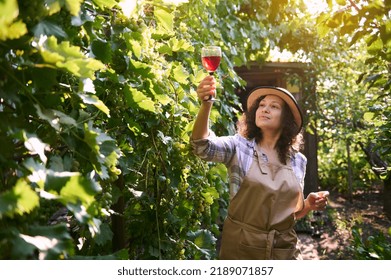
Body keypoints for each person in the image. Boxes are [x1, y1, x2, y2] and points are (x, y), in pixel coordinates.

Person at [191, 75, 329, 260]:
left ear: (286, 119)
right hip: (241, 249)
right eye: (262, 105)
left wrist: (308, 205)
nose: (265, 109)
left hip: (284, 250)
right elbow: (202, 147)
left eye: (274, 106)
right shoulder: (239, 147)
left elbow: (291, 215)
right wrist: (206, 104)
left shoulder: (298, 161)